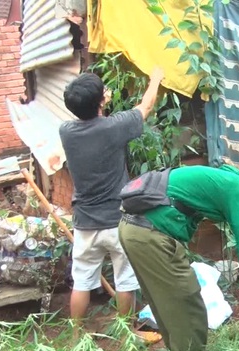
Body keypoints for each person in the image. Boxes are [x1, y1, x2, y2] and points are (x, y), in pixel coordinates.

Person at [118, 164, 239, 351]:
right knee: (187, 304)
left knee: (167, 300)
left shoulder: (225, 179)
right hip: (149, 232)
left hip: (134, 229)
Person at [60, 67, 164, 325]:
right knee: (125, 281)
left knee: (82, 282)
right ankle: (126, 335)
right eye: (103, 91)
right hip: (117, 220)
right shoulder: (113, 128)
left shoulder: (67, 132)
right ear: (101, 101)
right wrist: (156, 80)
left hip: (85, 223)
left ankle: (76, 339)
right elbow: (146, 107)